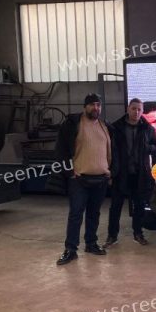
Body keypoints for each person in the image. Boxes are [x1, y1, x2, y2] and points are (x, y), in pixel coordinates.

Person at [54, 93, 112, 266]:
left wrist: (109, 171)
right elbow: (61, 150)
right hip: (79, 179)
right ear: (85, 107)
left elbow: (110, 150)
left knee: (94, 213)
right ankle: (71, 249)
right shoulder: (72, 124)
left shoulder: (105, 126)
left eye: (98, 105)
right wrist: (70, 172)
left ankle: (91, 243)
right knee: (76, 214)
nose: (96, 108)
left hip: (100, 178)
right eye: (92, 104)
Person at [105, 98, 156, 247]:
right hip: (120, 174)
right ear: (128, 109)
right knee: (115, 207)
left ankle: (138, 234)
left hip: (140, 174)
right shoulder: (116, 127)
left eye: (139, 109)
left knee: (139, 207)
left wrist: (148, 148)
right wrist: (110, 171)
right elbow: (108, 149)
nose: (136, 112)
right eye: (134, 108)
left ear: (142, 111)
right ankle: (112, 236)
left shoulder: (148, 129)